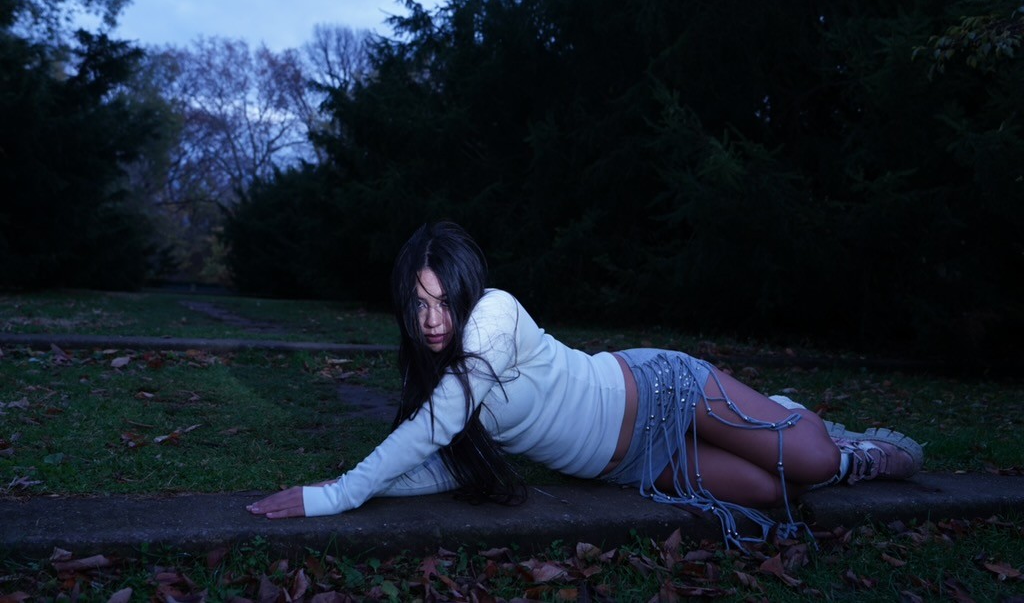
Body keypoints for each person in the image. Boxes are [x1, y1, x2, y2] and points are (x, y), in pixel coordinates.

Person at [247, 222, 923, 548]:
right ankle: (790, 431)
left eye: (444, 300)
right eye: (419, 304)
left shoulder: (494, 316)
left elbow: (437, 424)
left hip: (659, 391)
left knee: (813, 462)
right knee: (772, 491)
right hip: (635, 464)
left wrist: (339, 492)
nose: (432, 319)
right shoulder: (442, 382)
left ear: (467, 292)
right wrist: (368, 490)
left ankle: (843, 446)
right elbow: (437, 465)